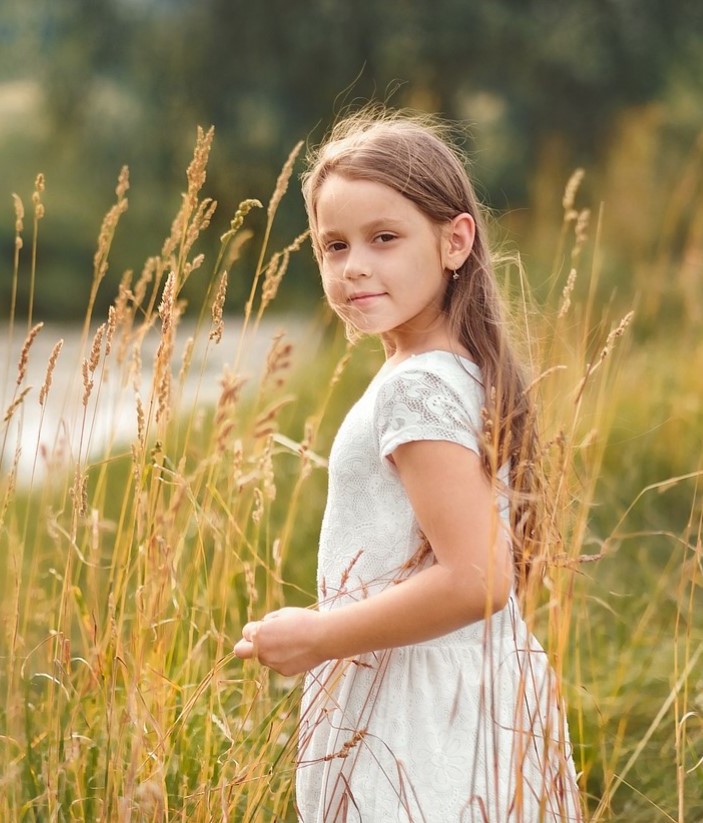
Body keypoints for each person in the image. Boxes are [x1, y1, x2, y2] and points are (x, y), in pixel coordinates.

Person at [233, 108, 583, 822]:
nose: (354, 265)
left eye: (384, 238)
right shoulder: (447, 367)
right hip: (458, 687)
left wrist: (318, 636)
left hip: (422, 713)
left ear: (455, 241)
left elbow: (478, 578)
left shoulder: (416, 387)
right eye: (334, 245)